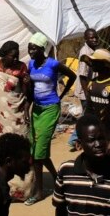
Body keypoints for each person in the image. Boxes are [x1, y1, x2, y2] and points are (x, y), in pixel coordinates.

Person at [52, 115, 110, 216]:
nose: (98, 144)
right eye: (91, 140)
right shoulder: (66, 171)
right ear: (79, 145)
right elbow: (60, 209)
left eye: (101, 138)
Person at [25, 33, 76, 204]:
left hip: (50, 109)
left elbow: (72, 76)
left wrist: (61, 95)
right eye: (29, 47)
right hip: (37, 110)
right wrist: (27, 108)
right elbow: (31, 89)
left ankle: (39, 192)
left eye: (34, 48)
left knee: (39, 153)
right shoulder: (31, 64)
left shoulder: (53, 64)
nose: (30, 51)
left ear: (42, 49)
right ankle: (56, 178)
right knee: (36, 149)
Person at [0, 41, 33, 198]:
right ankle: (0, 181)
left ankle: (20, 189)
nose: (15, 59)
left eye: (17, 56)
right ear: (3, 55)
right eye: (12, 56)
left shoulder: (22, 68)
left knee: (18, 145)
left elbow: (27, 93)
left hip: (15, 115)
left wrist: (27, 85)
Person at [83, 49, 110, 164]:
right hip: (96, 134)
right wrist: (83, 133)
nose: (92, 64)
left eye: (95, 62)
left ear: (105, 64)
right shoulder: (92, 84)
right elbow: (88, 110)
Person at [74, 29, 100, 104]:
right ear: (86, 39)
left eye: (96, 37)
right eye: (91, 38)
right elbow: (82, 76)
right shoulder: (85, 53)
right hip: (86, 92)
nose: (94, 40)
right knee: (89, 114)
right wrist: (86, 94)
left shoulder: (93, 49)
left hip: (92, 89)